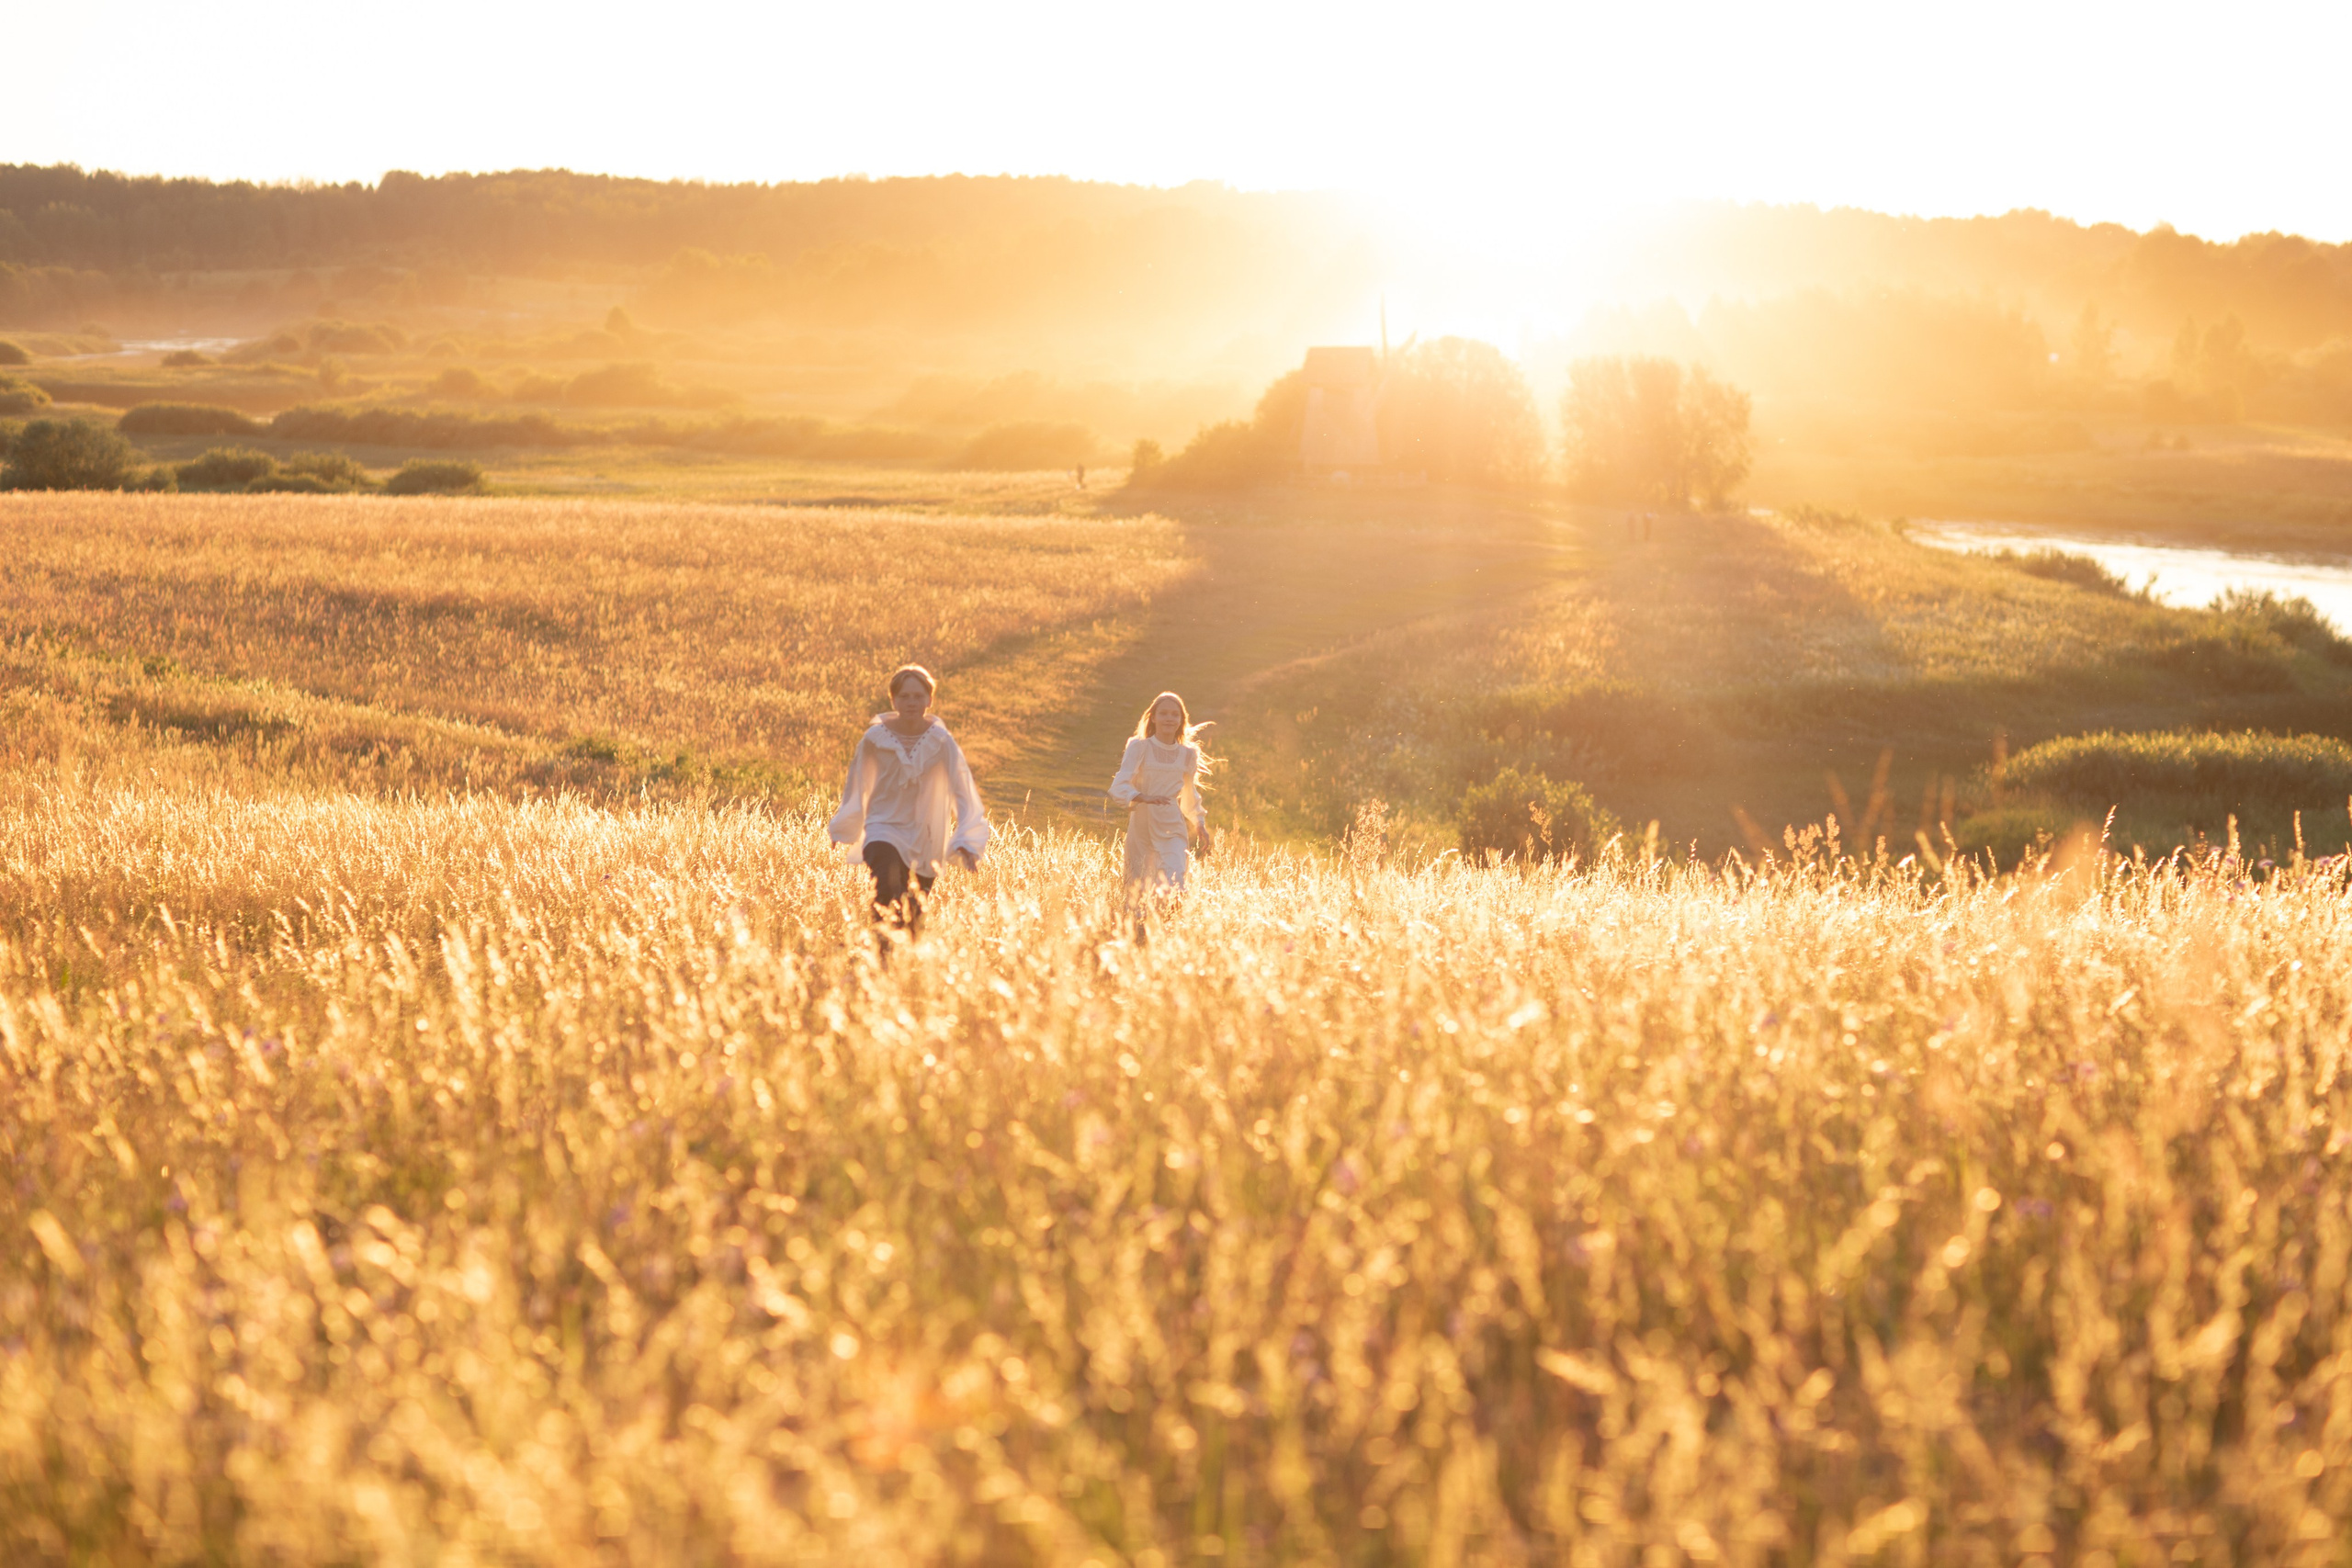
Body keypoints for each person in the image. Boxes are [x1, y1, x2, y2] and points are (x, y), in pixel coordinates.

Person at [829, 664, 989, 943]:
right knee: (888, 886)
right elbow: (857, 784)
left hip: (926, 836)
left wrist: (967, 840)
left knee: (914, 912)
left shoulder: (941, 741)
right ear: (893, 700)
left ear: (929, 699)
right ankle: (879, 958)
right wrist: (845, 826)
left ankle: (898, 967)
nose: (911, 702)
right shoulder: (874, 739)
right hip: (882, 827)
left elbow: (963, 789)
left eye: (918, 696)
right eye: (904, 696)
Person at [1108, 691, 1209, 896]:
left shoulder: (1188, 754)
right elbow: (1119, 786)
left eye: (1175, 714)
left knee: (1176, 881)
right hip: (1142, 824)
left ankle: (1169, 924)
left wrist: (1199, 824)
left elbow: (1190, 794)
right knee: (1139, 887)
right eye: (1163, 713)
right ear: (1153, 717)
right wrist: (1143, 797)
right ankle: (1140, 927)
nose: (1169, 719)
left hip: (1172, 824)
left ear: (1181, 720)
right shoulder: (1139, 747)